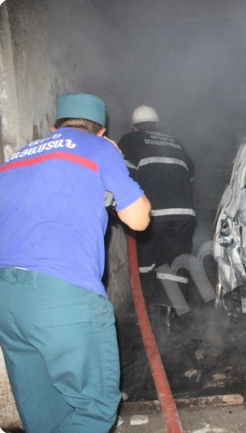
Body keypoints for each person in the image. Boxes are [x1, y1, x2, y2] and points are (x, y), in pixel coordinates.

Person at [0, 92, 151, 432]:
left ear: (54, 128)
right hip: (63, 295)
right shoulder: (99, 149)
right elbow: (139, 219)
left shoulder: (13, 160)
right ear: (101, 131)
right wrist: (113, 158)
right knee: (95, 407)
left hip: (7, 301)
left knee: (42, 408)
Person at [117, 105, 195, 316]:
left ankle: (143, 309)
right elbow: (190, 174)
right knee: (175, 261)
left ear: (134, 127)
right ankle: (169, 316)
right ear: (158, 124)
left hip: (152, 213)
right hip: (184, 214)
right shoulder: (175, 141)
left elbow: (124, 175)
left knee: (145, 261)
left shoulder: (130, 140)